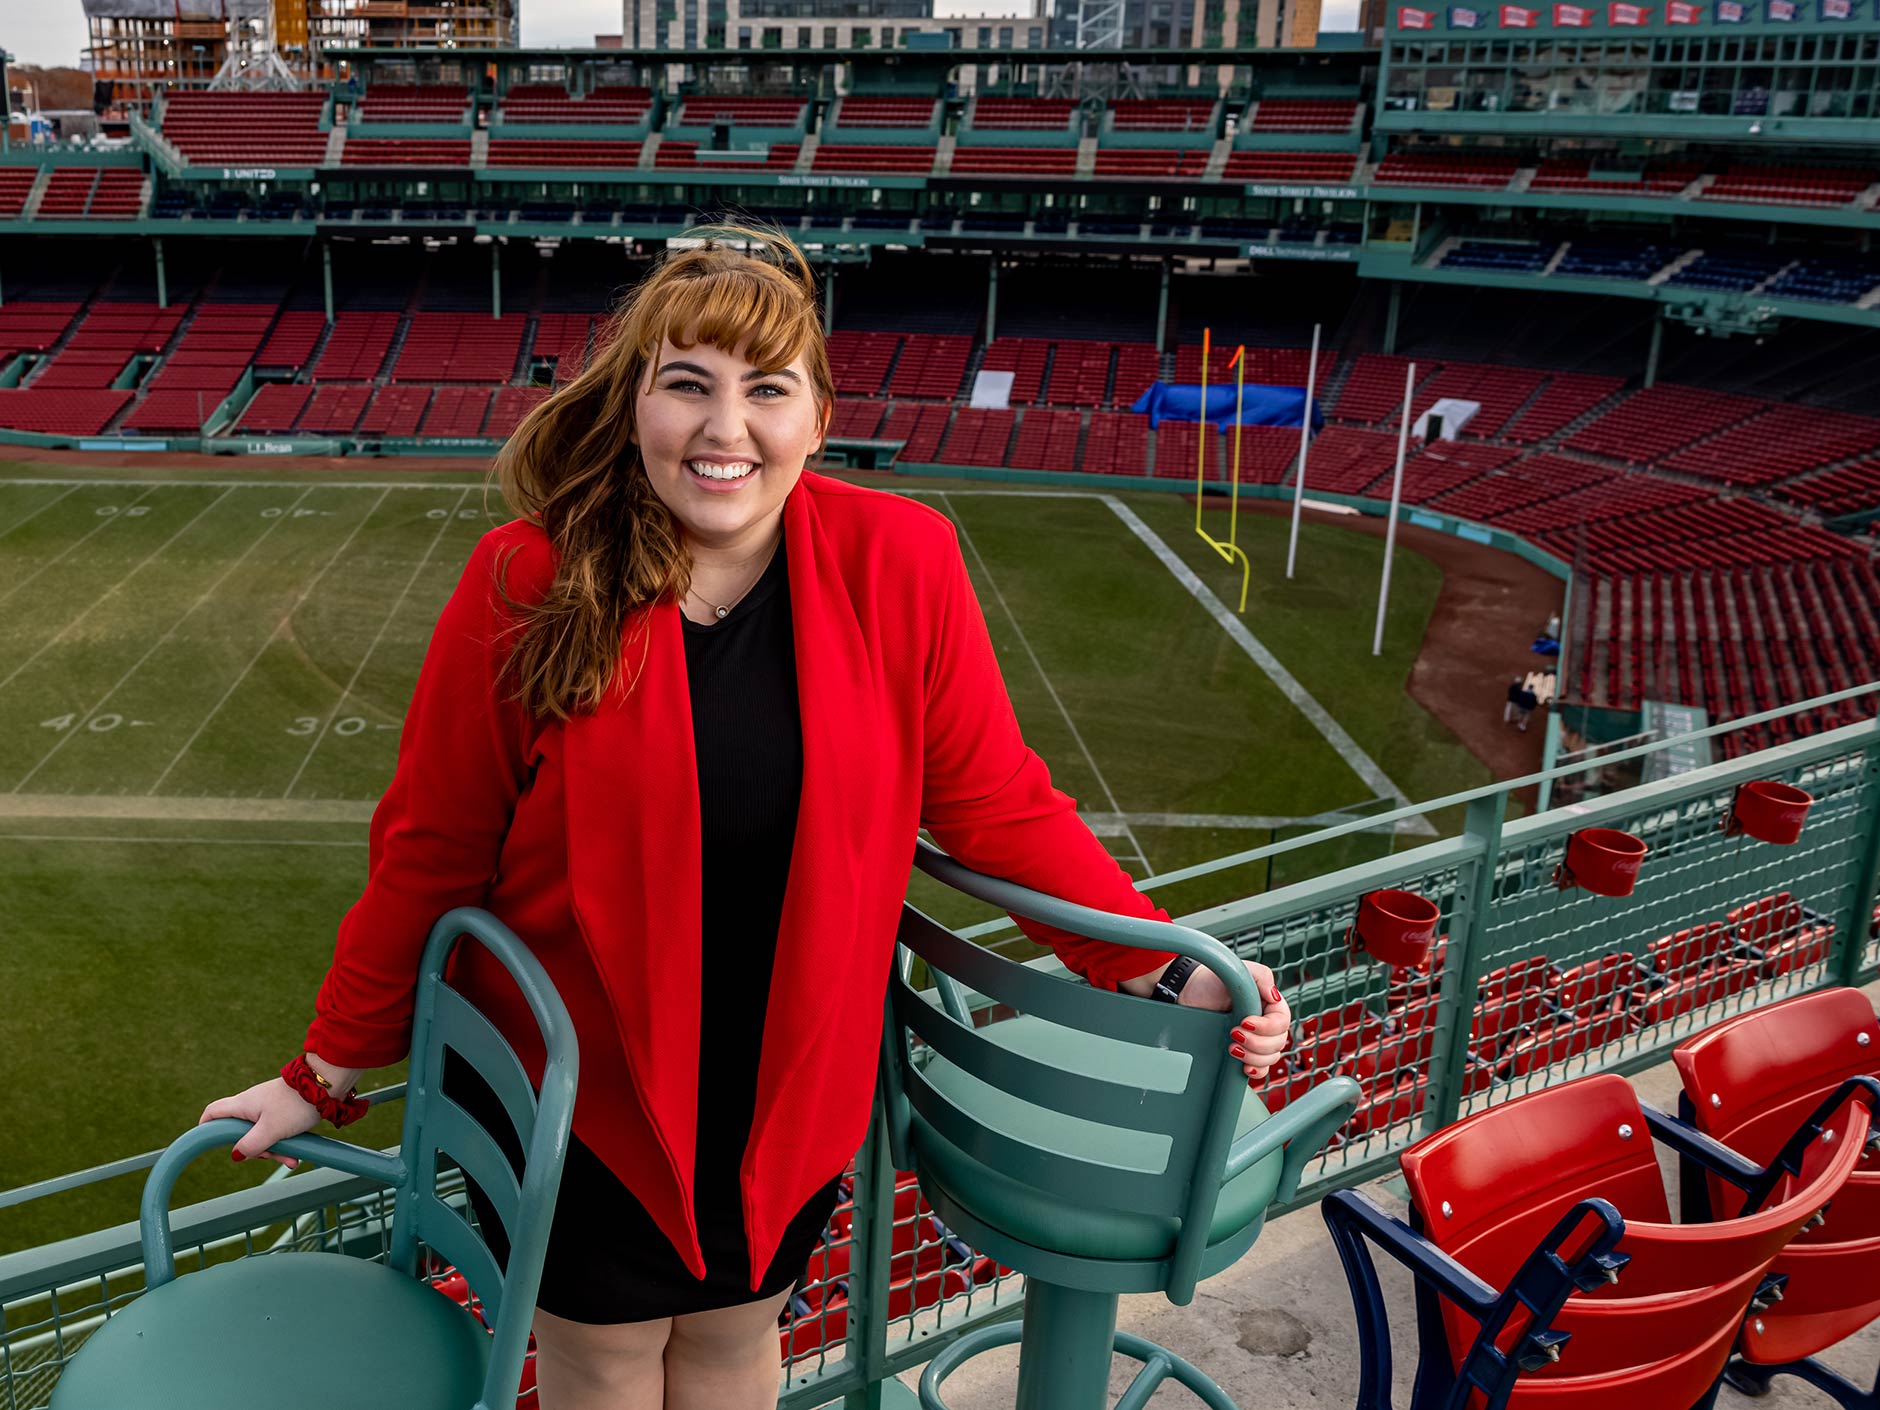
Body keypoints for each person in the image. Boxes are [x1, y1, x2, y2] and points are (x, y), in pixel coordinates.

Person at [199, 224, 1292, 1410]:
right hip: (576, 1081)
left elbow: (992, 799)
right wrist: (323, 1073)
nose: (726, 429)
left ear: (815, 420)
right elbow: (434, 849)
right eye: (687, 386)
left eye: (765, 390)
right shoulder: (528, 578)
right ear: (634, 410)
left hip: (788, 1073)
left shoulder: (901, 559)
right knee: (603, 1358)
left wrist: (1164, 968)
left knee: (730, 1340)